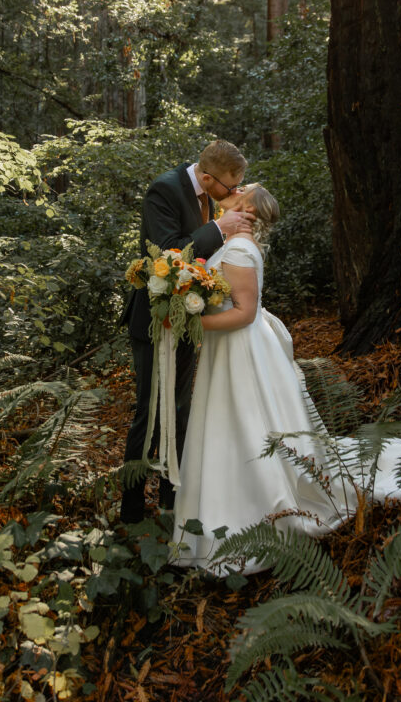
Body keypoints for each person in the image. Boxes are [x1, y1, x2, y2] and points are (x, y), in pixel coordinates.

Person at [171, 184, 401, 574]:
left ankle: (251, 511)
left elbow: (243, 313)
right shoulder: (232, 243)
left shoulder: (240, 248)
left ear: (248, 210)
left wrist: (193, 323)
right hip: (231, 349)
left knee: (244, 424)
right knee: (234, 425)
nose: (236, 186)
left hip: (240, 348)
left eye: (244, 189)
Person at [119, 139, 255, 524]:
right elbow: (168, 251)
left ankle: (171, 499)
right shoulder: (164, 190)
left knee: (180, 411)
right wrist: (219, 227)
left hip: (189, 319)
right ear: (208, 178)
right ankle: (131, 510)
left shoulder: (213, 194)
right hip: (155, 320)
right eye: (231, 186)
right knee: (149, 415)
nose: (235, 192)